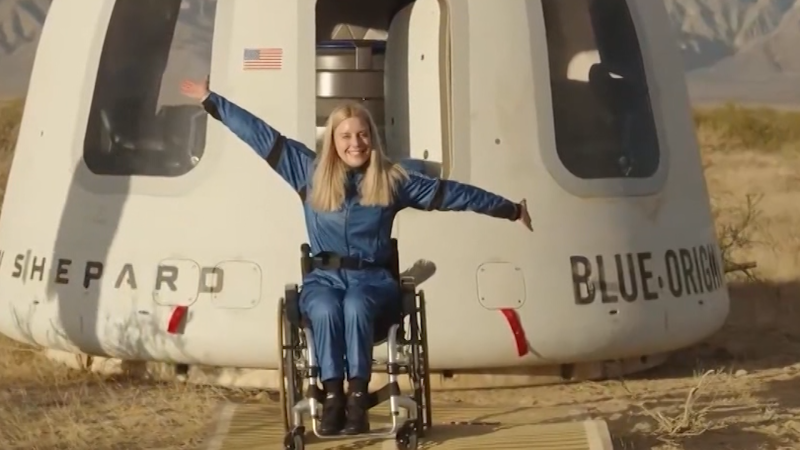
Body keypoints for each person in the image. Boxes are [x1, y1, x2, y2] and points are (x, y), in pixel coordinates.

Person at [179, 77, 533, 436]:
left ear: (372, 138)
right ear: (333, 141)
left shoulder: (392, 180)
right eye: (346, 136)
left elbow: (453, 194)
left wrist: (510, 209)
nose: (355, 143)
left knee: (355, 304)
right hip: (323, 279)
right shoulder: (308, 172)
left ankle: (358, 398)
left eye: (362, 135)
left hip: (373, 282)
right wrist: (211, 100)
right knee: (324, 307)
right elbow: (260, 135)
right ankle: (334, 398)